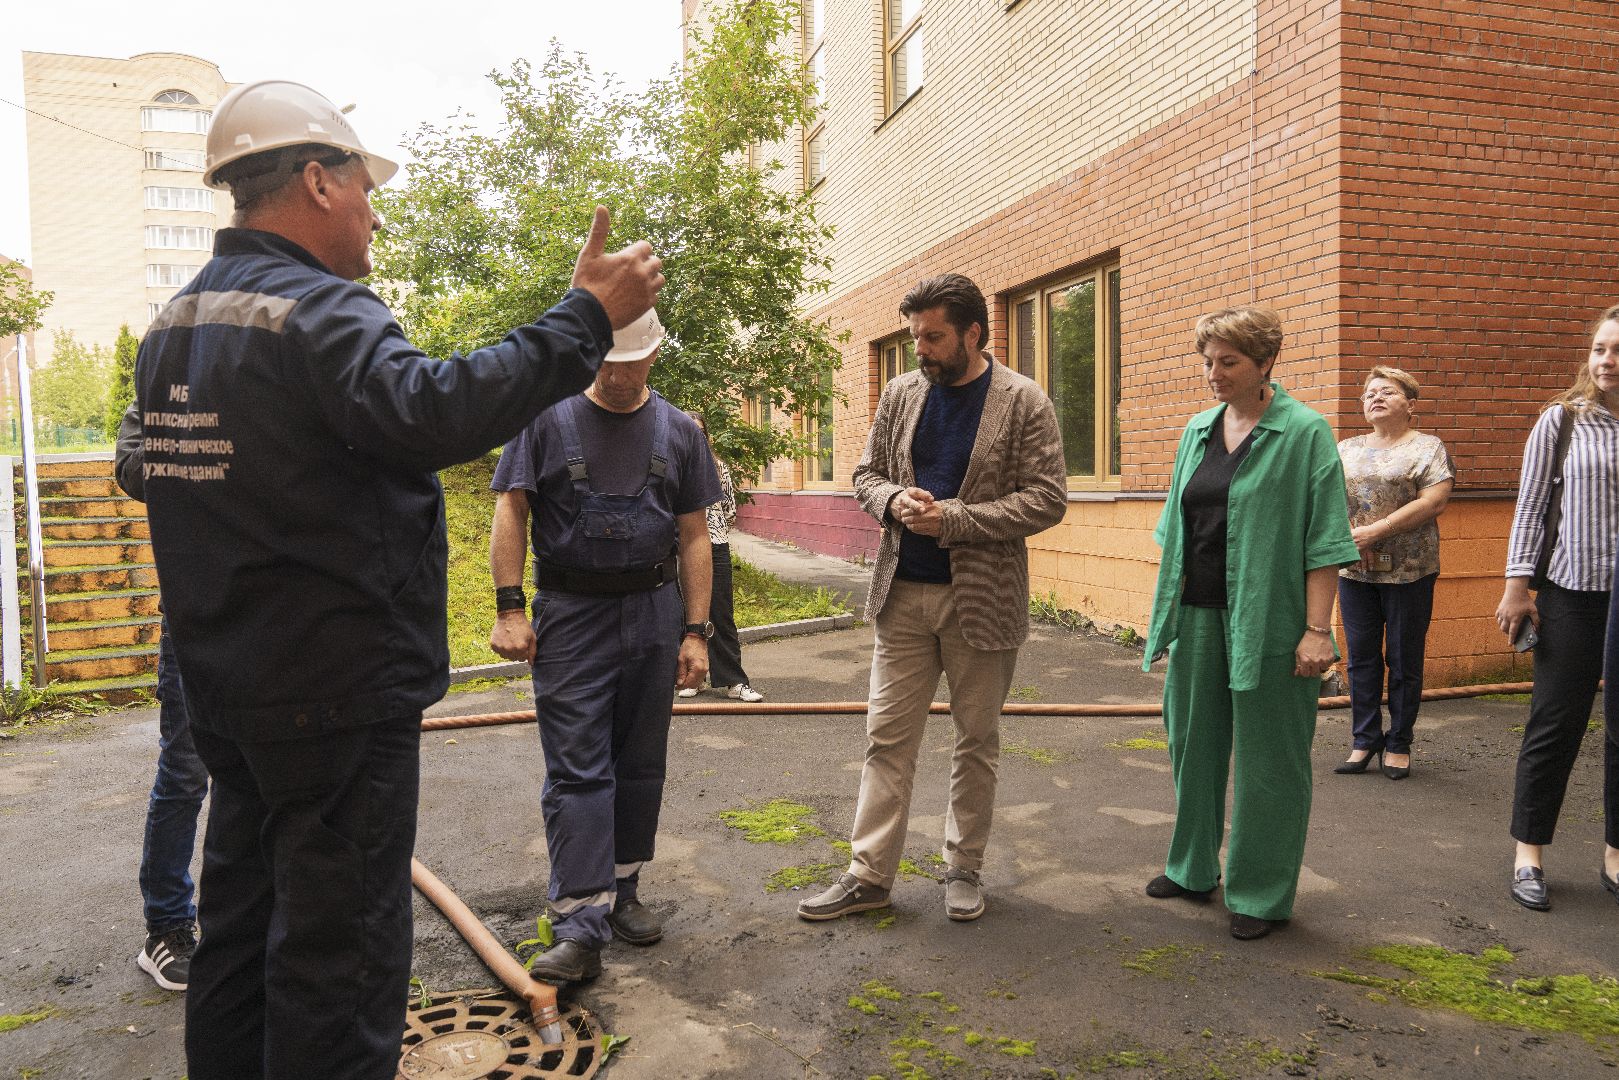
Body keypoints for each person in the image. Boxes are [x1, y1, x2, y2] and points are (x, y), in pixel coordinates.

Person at [135, 79, 663, 1080]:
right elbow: (433, 411)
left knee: (241, 934)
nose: (376, 211)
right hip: (332, 698)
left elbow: (156, 466)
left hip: (227, 694)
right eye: (365, 188)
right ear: (314, 181)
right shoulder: (317, 313)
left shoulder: (175, 325)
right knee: (338, 957)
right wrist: (583, 318)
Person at [795, 273, 1066, 924]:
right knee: (886, 741)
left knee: (975, 742)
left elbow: (1047, 497)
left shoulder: (1023, 401)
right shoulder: (899, 393)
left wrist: (956, 519)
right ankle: (868, 877)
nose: (920, 346)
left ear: (973, 333)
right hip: (904, 596)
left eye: (933, 336)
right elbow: (864, 476)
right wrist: (892, 500)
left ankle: (963, 870)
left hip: (983, 601)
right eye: (916, 335)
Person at [488, 308, 719, 982]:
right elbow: (511, 508)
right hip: (571, 615)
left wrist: (695, 632)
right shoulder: (545, 420)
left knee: (640, 760)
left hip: (653, 611)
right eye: (606, 361)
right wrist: (509, 609)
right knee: (578, 770)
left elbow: (695, 534)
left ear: (654, 355)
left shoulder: (678, 431)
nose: (618, 375)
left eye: (632, 360)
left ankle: (624, 890)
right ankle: (580, 925)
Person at [1141, 306, 1359, 941]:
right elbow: (1179, 530)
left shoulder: (1304, 433)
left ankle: (1261, 892)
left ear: (1267, 363)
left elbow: (1326, 538)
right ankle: (1190, 868)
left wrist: (1318, 631)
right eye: (1208, 362)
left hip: (1273, 621)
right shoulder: (1198, 431)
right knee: (1193, 745)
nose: (1214, 374)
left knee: (1271, 761)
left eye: (1228, 362)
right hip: (1199, 616)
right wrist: (1166, 613)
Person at [1497, 302, 1619, 913]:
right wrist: (1517, 586)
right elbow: (1529, 507)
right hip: (1574, 591)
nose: (1607, 361)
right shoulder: (1564, 421)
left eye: (1618, 351)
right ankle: (1529, 853)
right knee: (1556, 722)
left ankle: (1615, 854)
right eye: (1600, 349)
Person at [115, 404, 208, 992]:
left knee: (267, 771)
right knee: (184, 771)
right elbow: (130, 468)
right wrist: (210, 438)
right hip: (195, 612)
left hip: (271, 607)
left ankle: (254, 918)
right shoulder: (165, 391)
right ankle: (166, 925)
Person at [1333, 367, 1454, 780]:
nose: (1375, 397)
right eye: (1369, 393)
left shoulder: (1427, 447)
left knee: (1403, 658)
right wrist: (1351, 540)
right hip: (1354, 569)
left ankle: (1399, 742)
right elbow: (1327, 499)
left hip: (1410, 572)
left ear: (1411, 405)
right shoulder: (1344, 448)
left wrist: (1376, 532)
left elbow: (1434, 501)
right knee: (1361, 657)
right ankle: (1365, 739)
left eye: (1387, 391)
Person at [677, 411, 765, 703]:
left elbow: (729, 511)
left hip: (715, 545)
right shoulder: (672, 466)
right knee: (684, 614)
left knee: (721, 615)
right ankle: (693, 678)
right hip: (679, 548)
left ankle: (735, 682)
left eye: (700, 431)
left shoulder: (719, 468)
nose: (695, 436)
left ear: (707, 436)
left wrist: (712, 531)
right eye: (689, 430)